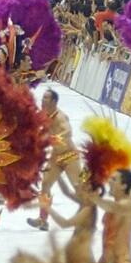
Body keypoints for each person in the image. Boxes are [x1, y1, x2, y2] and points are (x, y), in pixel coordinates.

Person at [28, 89, 81, 230]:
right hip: (55, 157)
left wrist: (50, 139)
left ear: (54, 102)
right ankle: (43, 220)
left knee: (79, 188)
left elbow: (68, 132)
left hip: (70, 156)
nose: (42, 100)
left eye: (46, 98)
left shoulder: (61, 117)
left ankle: (86, 217)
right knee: (45, 185)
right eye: (43, 97)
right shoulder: (43, 115)